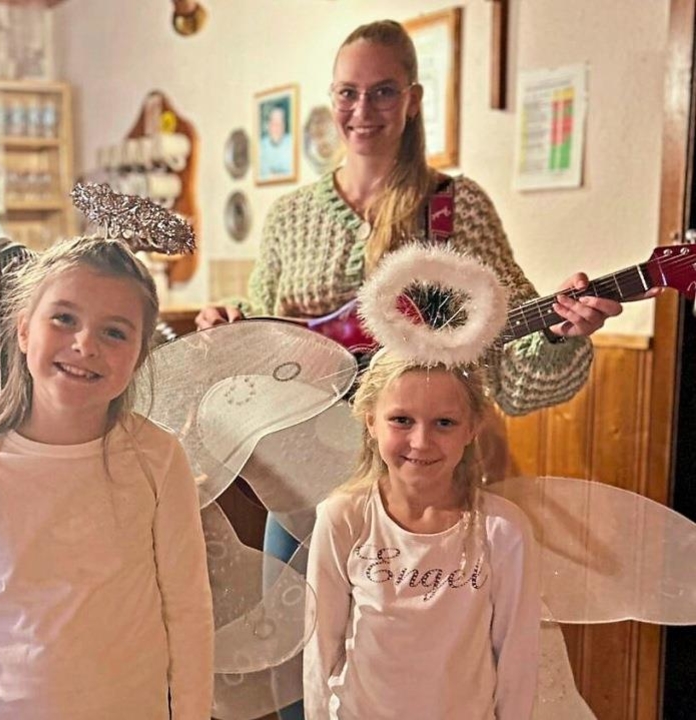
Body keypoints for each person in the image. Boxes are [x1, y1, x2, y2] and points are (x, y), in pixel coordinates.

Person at [195, 20, 622, 719]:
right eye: (348, 93)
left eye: (383, 92)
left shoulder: (456, 212)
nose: (363, 112)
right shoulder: (289, 218)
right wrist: (228, 330)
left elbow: (511, 374)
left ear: (414, 99)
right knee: (302, 667)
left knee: (434, 664)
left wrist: (560, 339)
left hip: (429, 484)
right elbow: (269, 342)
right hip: (301, 481)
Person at [0, 236, 214, 719]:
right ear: (25, 329)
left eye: (115, 332)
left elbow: (189, 614)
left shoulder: (157, 459)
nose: (85, 344)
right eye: (64, 319)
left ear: (139, 354)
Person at [304, 350, 540, 718]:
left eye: (444, 423)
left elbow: (517, 659)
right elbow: (320, 649)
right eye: (401, 420)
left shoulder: (503, 530)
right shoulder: (343, 518)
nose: (421, 441)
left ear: (472, 427)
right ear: (370, 421)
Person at [259, 104, 295, 180]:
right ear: (268, 125)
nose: (276, 126)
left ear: (284, 125)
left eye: (280, 122)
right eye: (273, 122)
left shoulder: (292, 143)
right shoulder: (261, 146)